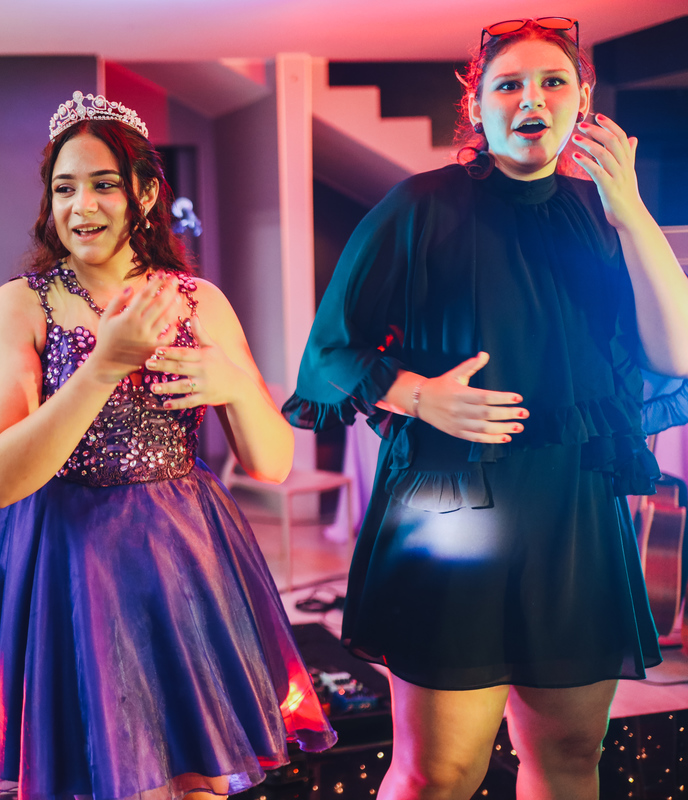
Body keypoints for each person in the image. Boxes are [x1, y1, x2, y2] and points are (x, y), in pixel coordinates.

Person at [0, 91, 335, 800]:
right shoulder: (22, 304)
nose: (82, 206)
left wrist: (235, 385)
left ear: (145, 194)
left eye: (103, 185)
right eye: (65, 188)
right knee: (88, 772)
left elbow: (272, 462)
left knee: (193, 778)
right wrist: (104, 366)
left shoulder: (198, 302)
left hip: (182, 559)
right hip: (66, 562)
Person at [284, 18, 688, 800]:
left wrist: (632, 208)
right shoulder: (420, 205)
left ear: (582, 102)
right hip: (452, 504)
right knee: (440, 772)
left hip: (575, 507)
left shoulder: (606, 217)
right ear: (477, 108)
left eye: (553, 82)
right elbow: (328, 352)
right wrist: (418, 394)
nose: (532, 99)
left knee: (569, 754)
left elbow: (676, 355)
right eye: (509, 85)